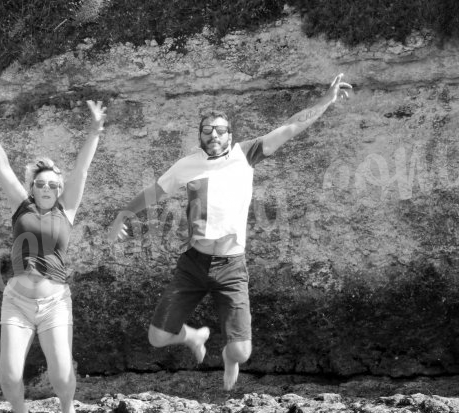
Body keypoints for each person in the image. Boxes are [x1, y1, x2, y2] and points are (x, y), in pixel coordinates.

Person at [108, 74, 352, 391]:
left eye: (220, 130)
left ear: (230, 135)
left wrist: (325, 100)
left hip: (232, 267)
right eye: (207, 131)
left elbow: (292, 127)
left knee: (242, 351)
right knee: (157, 337)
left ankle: (229, 356)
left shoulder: (246, 155)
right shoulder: (187, 165)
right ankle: (194, 336)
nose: (214, 135)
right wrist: (123, 214)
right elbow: (154, 191)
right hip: (194, 264)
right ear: (200, 136)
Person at [0, 99, 106, 413]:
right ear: (32, 188)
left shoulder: (67, 210)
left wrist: (94, 131)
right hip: (16, 302)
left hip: (55, 303)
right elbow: (2, 169)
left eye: (52, 186)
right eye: (41, 184)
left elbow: (82, 171)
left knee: (62, 375)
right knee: (9, 377)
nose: (47, 189)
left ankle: (66, 405)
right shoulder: (21, 207)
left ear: (60, 191)